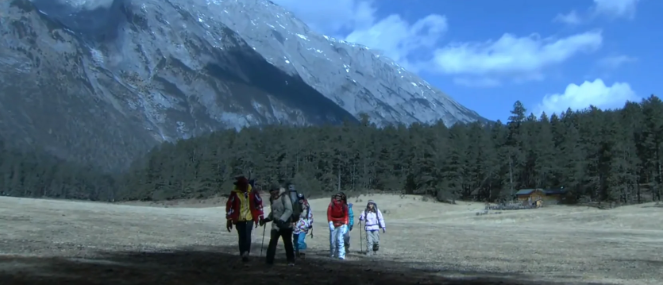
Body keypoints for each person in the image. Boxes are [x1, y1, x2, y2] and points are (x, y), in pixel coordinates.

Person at [225, 176, 264, 263]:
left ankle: (246, 253)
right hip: (238, 218)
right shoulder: (235, 193)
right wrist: (229, 219)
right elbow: (229, 206)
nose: (243, 187)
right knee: (241, 236)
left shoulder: (252, 192)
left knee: (247, 235)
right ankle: (242, 253)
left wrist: (261, 216)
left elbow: (259, 203)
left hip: (250, 217)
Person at [260, 184, 295, 266]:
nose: (273, 194)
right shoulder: (272, 199)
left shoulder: (284, 197)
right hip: (276, 224)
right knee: (272, 242)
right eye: (271, 193)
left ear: (277, 190)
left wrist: (282, 220)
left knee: (287, 243)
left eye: (274, 192)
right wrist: (266, 219)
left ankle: (291, 261)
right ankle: (269, 261)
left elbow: (289, 210)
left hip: (286, 225)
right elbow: (273, 212)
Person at [327, 192, 349, 260]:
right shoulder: (331, 204)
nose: (338, 198)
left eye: (340, 196)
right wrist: (330, 222)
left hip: (341, 224)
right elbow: (329, 214)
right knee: (333, 240)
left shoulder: (344, 205)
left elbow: (346, 215)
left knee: (340, 239)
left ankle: (341, 255)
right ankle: (333, 253)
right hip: (333, 224)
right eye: (337, 196)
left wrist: (345, 224)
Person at [292, 193, 313, 258]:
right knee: (295, 240)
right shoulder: (294, 206)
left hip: (303, 225)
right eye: (299, 199)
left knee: (300, 240)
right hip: (295, 225)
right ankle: (296, 252)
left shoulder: (307, 206)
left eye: (301, 199)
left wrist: (309, 223)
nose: (300, 200)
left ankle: (302, 253)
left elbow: (310, 215)